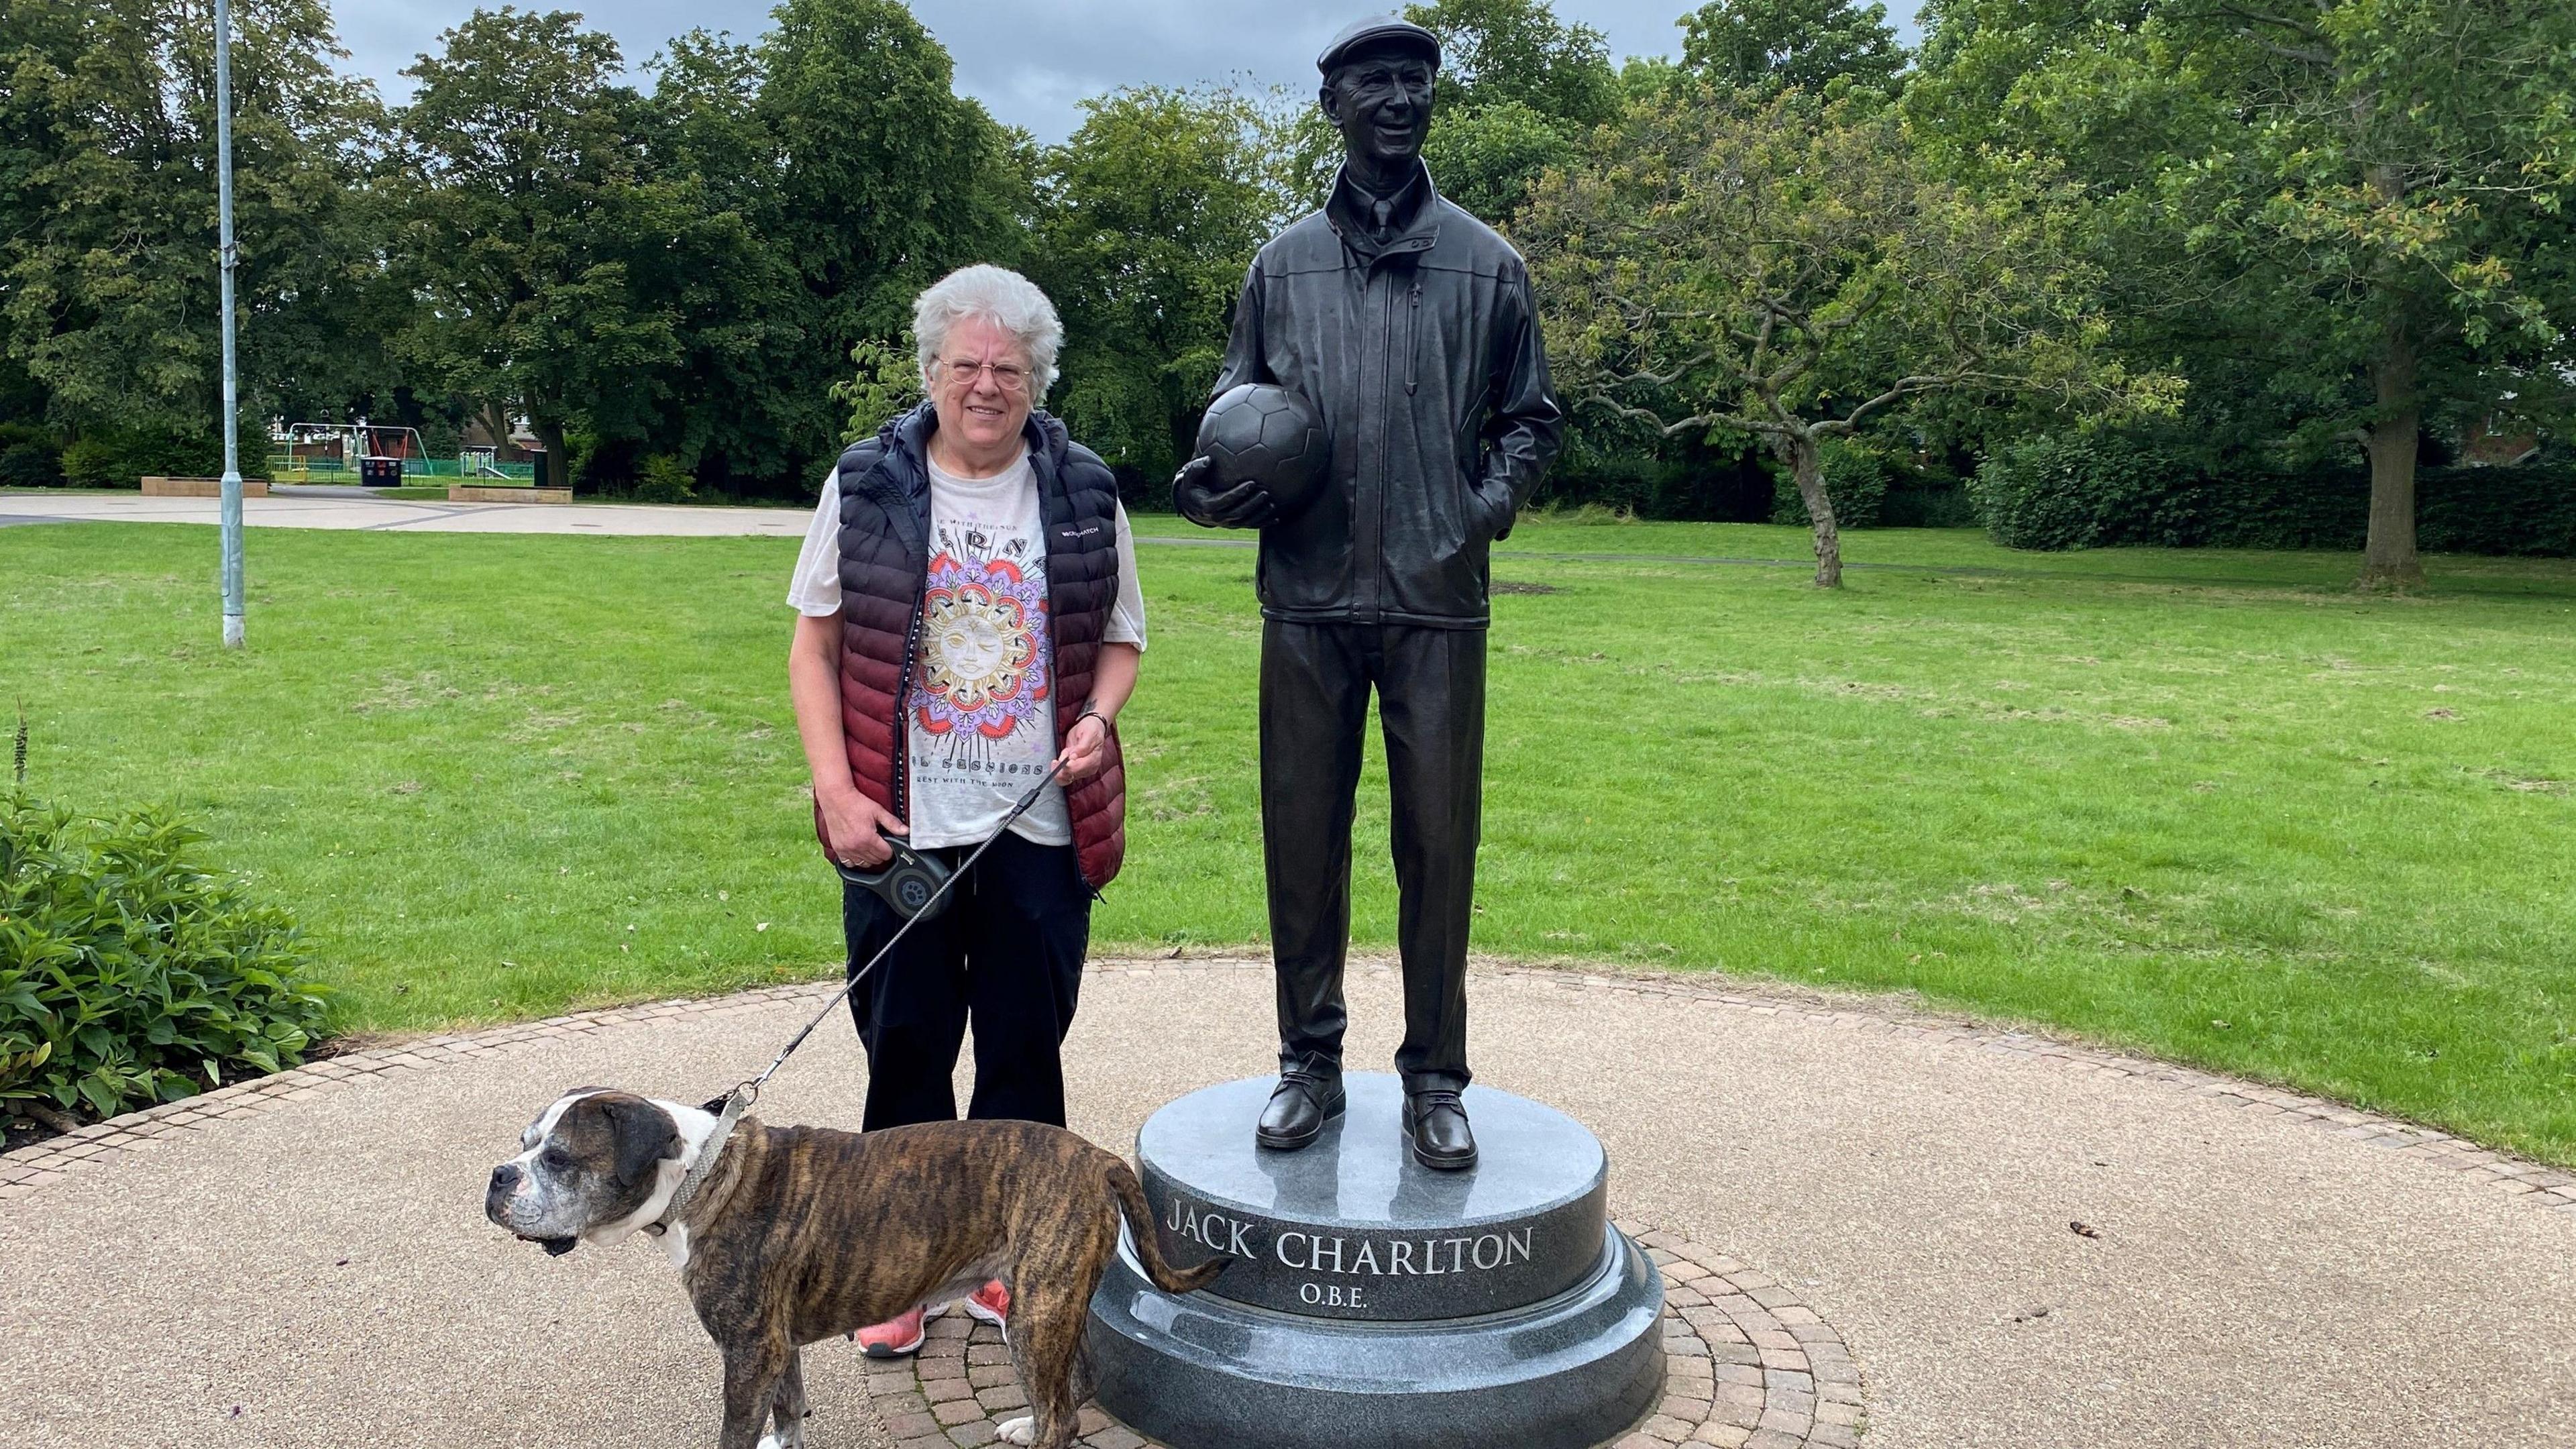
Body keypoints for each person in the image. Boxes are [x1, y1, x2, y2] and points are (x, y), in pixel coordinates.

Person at [1173, 15, 1564, 1173]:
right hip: (1307, 598)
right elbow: (1231, 417)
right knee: (1304, 838)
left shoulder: (1489, 264)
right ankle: (1309, 1063)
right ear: (1332, 102)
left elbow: (1532, 422)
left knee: (1440, 846)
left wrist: (1476, 511)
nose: (1399, 99)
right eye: (1374, 82)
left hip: (1438, 600)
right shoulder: (1279, 265)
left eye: (1417, 81)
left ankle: (1436, 1079)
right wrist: (1208, 496)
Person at [785, 263, 1146, 1356]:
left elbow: (1122, 638)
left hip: (1037, 823)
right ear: (932, 371)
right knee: (904, 1045)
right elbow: (815, 642)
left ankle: (1009, 1260)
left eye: (1009, 368)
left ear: (1036, 380)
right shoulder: (866, 485)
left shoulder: (1085, 491)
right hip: (901, 823)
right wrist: (836, 791)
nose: (986, 385)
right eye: (967, 365)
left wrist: (1097, 717)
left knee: (1026, 1051)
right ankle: (894, 1271)